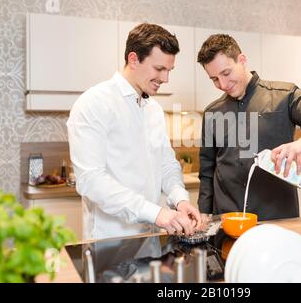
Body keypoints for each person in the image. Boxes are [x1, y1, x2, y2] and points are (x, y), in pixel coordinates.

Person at [67, 23, 202, 240]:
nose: (165, 79)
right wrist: (157, 214)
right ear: (133, 59)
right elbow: (91, 180)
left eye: (169, 70)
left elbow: (166, 165)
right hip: (109, 240)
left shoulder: (154, 110)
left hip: (151, 236)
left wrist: (180, 200)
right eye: (159, 69)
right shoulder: (94, 103)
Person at [196, 34, 301, 221]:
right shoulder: (213, 112)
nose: (223, 85)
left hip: (277, 219)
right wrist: (204, 215)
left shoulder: (285, 96)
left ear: (242, 60)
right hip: (227, 221)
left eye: (226, 73)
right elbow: (207, 172)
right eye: (214, 79)